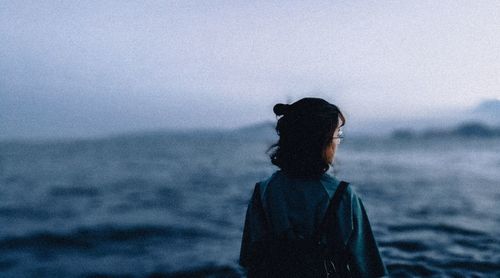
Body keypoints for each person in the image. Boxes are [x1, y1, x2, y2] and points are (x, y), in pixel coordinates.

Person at [239, 97, 388, 277]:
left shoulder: (262, 191)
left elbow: (250, 259)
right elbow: (369, 267)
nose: (338, 142)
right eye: (338, 134)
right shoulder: (342, 195)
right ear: (322, 141)